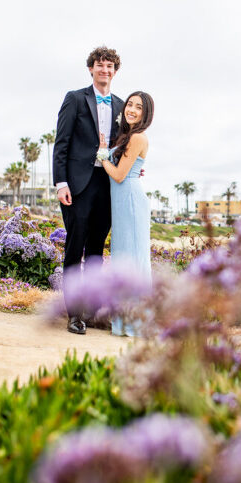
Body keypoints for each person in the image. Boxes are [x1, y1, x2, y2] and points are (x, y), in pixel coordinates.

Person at [53, 46, 126, 335]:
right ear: (91, 69)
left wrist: (133, 168)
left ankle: (92, 311)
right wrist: (61, 183)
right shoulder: (75, 99)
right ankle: (73, 314)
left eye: (110, 66)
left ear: (115, 71)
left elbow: (125, 147)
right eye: (100, 65)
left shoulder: (121, 105)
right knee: (75, 246)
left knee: (96, 251)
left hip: (108, 185)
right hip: (78, 185)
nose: (105, 70)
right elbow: (61, 142)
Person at [97, 91, 154, 336]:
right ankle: (123, 322)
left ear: (145, 113)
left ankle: (135, 324)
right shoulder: (127, 137)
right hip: (121, 203)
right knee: (122, 260)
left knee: (132, 261)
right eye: (129, 104)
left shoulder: (138, 138)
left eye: (138, 107)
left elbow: (119, 175)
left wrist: (102, 154)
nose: (131, 109)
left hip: (130, 202)